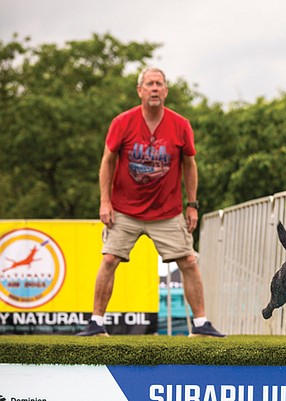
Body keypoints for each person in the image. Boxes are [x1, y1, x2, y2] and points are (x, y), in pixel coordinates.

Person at [76, 67, 224, 338]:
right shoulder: (122, 122)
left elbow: (190, 165)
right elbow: (107, 162)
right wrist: (105, 202)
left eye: (159, 84)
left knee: (189, 261)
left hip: (167, 212)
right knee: (109, 259)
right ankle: (96, 323)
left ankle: (201, 324)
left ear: (166, 91)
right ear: (140, 91)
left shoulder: (180, 125)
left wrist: (192, 205)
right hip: (124, 210)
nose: (154, 88)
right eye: (149, 84)